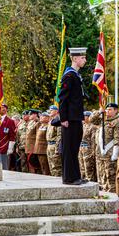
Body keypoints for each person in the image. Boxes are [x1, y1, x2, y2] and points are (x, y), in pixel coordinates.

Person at [59, 48, 88, 185]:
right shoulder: (69, 76)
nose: (85, 60)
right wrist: (63, 118)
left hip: (76, 117)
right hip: (69, 119)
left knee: (74, 148)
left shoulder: (76, 75)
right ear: (75, 59)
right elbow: (63, 98)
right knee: (69, 148)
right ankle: (69, 178)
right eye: (83, 58)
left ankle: (75, 176)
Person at [91, 103, 119, 193]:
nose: (107, 111)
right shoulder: (103, 121)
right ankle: (104, 194)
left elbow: (117, 139)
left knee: (110, 177)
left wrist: (115, 153)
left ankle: (112, 197)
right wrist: (100, 111)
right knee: (101, 176)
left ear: (116, 111)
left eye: (110, 109)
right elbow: (92, 119)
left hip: (110, 154)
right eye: (107, 109)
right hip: (100, 153)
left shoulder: (117, 123)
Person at [0, 104, 16, 171]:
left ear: (6, 110)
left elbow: (12, 136)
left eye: (4, 108)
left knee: (3, 166)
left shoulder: (10, 121)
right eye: (1, 107)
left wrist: (10, 148)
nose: (2, 109)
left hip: (4, 147)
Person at [79, 111, 97, 182]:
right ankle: (82, 180)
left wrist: (93, 151)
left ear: (89, 117)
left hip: (88, 149)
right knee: (82, 167)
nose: (83, 117)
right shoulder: (82, 125)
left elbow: (93, 141)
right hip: (81, 148)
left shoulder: (93, 127)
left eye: (85, 116)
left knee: (88, 168)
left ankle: (90, 182)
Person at [46, 105, 62, 177]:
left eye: (51, 110)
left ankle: (58, 182)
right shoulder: (51, 121)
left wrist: (57, 148)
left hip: (54, 145)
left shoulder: (58, 120)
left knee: (56, 167)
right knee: (51, 166)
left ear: (56, 111)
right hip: (49, 145)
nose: (50, 112)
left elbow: (59, 136)